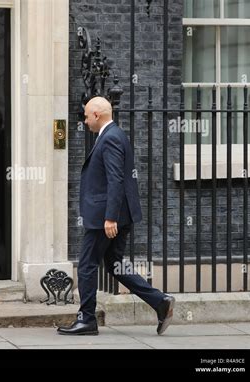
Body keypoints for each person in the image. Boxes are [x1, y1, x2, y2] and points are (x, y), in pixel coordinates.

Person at [57, 97, 175, 336]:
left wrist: (110, 217)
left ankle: (87, 319)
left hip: (106, 218)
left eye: (87, 115)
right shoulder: (116, 134)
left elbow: (115, 179)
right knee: (115, 264)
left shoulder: (110, 138)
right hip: (119, 215)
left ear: (97, 115)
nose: (85, 120)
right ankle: (160, 301)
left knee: (88, 265)